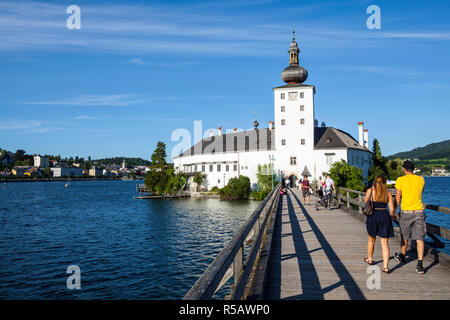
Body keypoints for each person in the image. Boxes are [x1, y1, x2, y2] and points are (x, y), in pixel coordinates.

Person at [394, 160, 426, 274]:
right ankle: (420, 265)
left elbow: (398, 198)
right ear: (414, 168)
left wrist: (392, 211)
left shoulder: (400, 180)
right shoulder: (421, 179)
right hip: (419, 211)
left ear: (404, 169)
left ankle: (403, 255)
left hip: (406, 212)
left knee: (404, 236)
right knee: (419, 238)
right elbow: (420, 193)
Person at [364, 176, 395, 274]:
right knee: (384, 243)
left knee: (371, 239)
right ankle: (385, 267)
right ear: (385, 183)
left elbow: (365, 201)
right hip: (384, 215)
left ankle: (369, 259)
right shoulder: (388, 194)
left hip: (373, 215)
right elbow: (392, 209)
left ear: (375, 182)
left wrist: (370, 194)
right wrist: (392, 216)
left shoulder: (370, 191)